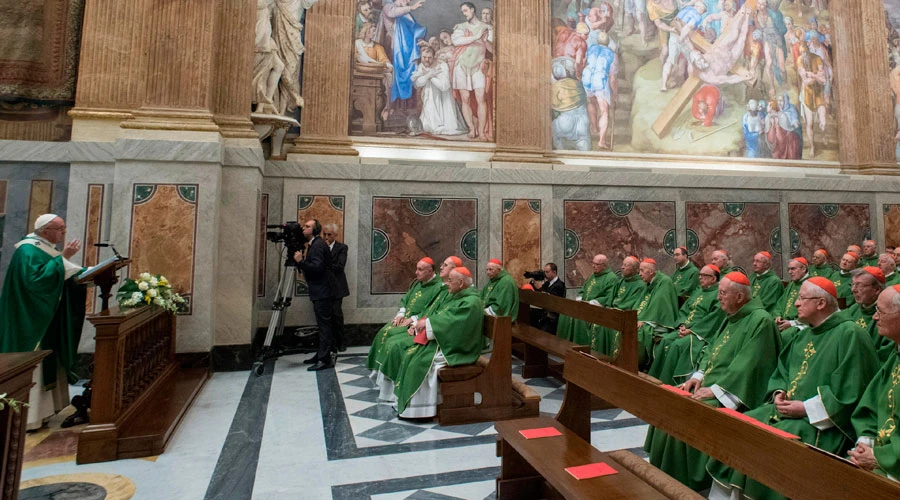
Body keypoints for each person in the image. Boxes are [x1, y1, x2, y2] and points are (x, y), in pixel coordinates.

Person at [708, 277, 878, 500]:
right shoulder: (806, 332)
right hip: (787, 411)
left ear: (820, 303)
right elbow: (782, 370)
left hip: (820, 424)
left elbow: (850, 389)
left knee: (770, 443)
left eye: (801, 298)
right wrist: (779, 393)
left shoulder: (850, 334)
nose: (795, 303)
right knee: (740, 424)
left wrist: (805, 408)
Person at [647, 271, 780, 491]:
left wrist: (716, 391)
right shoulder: (733, 314)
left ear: (739, 297)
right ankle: (661, 478)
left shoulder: (760, 321)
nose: (718, 298)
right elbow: (712, 349)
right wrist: (698, 376)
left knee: (684, 415)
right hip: (710, 384)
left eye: (722, 293)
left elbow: (749, 366)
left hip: (734, 393)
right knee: (667, 403)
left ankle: (683, 484)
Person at [0, 214, 87, 431]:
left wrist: (81, 273)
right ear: (45, 230)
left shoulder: (44, 248)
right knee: (35, 363)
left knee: (49, 360)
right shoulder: (27, 250)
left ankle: (45, 412)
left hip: (45, 319)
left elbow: (57, 275)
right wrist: (62, 258)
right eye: (59, 228)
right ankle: (29, 418)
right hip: (30, 322)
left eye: (64, 228)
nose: (63, 232)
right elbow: (35, 283)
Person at [390, 267, 484, 418]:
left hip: (460, 349)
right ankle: (411, 405)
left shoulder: (471, 302)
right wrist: (427, 322)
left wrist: (428, 324)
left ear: (460, 283)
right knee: (410, 354)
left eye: (450, 281)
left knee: (418, 363)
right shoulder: (461, 297)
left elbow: (453, 322)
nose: (447, 284)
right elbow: (446, 315)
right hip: (451, 342)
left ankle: (420, 410)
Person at [849, 284, 900, 476]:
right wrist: (867, 440)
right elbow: (871, 404)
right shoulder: (896, 355)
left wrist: (879, 457)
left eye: (881, 311)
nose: (875, 317)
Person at [647, 264, 727, 385]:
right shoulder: (698, 291)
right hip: (685, 328)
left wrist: (692, 330)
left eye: (704, 275)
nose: (700, 278)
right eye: (700, 275)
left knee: (677, 345)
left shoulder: (718, 295)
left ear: (714, 279)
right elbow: (685, 310)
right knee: (665, 341)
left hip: (699, 334)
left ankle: (669, 384)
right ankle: (654, 380)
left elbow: (713, 319)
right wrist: (682, 324)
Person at [366, 257, 444, 373]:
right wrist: (401, 313)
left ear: (430, 271)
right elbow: (405, 298)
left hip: (416, 323)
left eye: (420, 269)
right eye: (416, 269)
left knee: (391, 335)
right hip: (404, 319)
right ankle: (378, 371)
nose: (416, 272)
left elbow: (430, 309)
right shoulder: (417, 282)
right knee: (383, 332)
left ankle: (389, 371)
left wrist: (412, 319)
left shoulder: (439, 287)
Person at [293, 220, 335, 371]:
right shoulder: (314, 244)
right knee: (322, 325)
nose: (303, 228)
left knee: (324, 326)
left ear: (315, 230)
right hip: (320, 291)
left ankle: (324, 359)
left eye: (307, 226)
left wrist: (301, 261)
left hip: (322, 291)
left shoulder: (317, 245)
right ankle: (320, 355)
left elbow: (317, 268)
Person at [451, 2, 492, 140]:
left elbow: (493, 50)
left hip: (478, 66)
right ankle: (471, 129)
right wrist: (476, 37)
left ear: (473, 10)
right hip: (461, 65)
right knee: (465, 98)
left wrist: (485, 41)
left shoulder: (487, 28)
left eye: (466, 10)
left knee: (481, 98)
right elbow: (456, 41)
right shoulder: (461, 27)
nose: (464, 13)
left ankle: (481, 131)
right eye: (463, 11)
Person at [590, 256, 646, 355]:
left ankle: (613, 359)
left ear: (634, 269)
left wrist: (617, 309)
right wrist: (608, 308)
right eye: (622, 264)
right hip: (612, 312)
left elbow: (634, 303)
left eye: (626, 265)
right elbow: (610, 298)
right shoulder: (621, 281)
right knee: (597, 324)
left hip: (623, 316)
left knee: (615, 331)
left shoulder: (641, 285)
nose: (622, 267)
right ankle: (600, 356)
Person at [557, 254, 618, 344]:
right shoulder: (593, 276)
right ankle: (563, 344)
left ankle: (579, 346)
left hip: (596, 309)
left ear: (604, 265)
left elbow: (608, 296)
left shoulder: (612, 278)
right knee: (565, 313)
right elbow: (583, 289)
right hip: (584, 305)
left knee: (578, 319)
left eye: (597, 264)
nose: (593, 266)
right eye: (593, 263)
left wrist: (590, 303)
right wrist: (580, 300)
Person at [634, 258, 680, 367]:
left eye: (642, 270)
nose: (639, 274)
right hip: (649, 320)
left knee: (639, 331)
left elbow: (660, 306)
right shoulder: (650, 282)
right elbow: (642, 303)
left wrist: (645, 321)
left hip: (659, 322)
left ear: (650, 271)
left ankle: (639, 364)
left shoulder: (664, 282)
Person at [412, 47, 468, 136]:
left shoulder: (442, 66)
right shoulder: (421, 66)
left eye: (429, 57)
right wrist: (429, 75)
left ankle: (441, 124)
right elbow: (417, 83)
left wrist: (431, 77)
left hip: (443, 100)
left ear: (434, 57)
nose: (426, 60)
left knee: (448, 127)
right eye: (424, 57)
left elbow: (444, 86)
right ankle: (433, 123)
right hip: (430, 98)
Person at [323, 223, 349, 352]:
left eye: (329, 234)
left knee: (336, 314)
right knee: (326, 315)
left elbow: (339, 266)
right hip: (324, 287)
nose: (326, 237)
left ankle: (341, 341)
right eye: (325, 234)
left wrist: (326, 256)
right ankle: (330, 343)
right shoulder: (320, 247)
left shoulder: (342, 248)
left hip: (337, 287)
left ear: (335, 235)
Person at [774, 256, 808, 335]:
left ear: (803, 269)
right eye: (788, 269)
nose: (790, 272)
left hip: (798, 326)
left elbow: (811, 313)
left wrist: (791, 323)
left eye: (793, 269)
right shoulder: (791, 284)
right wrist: (778, 316)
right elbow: (780, 302)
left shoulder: (811, 284)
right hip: (783, 323)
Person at [532, 262, 566, 333]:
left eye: (547, 272)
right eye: (544, 272)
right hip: (543, 315)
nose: (545, 274)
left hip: (552, 317)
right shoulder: (547, 283)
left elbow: (553, 300)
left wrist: (540, 289)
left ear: (554, 272)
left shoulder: (560, 285)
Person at [750, 251, 783, 315]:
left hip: (763, 315)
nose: (754, 264)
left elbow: (768, 303)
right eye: (754, 261)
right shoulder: (752, 277)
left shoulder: (774, 281)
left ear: (766, 265)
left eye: (758, 261)